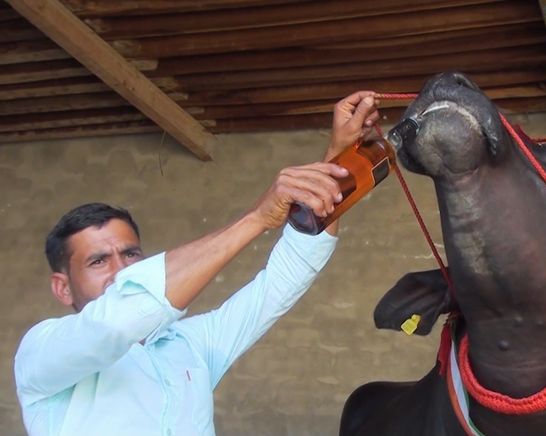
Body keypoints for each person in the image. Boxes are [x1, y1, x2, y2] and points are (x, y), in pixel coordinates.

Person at [14, 91, 380, 436]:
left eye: (130, 254)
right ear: (63, 287)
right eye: (98, 261)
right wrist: (255, 219)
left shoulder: (189, 344)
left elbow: (286, 277)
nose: (121, 271)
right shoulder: (42, 353)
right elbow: (116, 322)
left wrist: (338, 162)